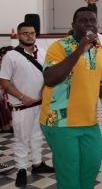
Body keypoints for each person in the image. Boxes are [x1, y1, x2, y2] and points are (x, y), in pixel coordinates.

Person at [40, 7, 102, 189]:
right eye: (83, 20)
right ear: (73, 25)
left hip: (88, 121)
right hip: (60, 121)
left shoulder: (98, 50)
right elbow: (50, 79)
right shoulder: (58, 47)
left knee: (90, 168)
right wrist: (79, 50)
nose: (89, 24)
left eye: (92, 21)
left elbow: (100, 82)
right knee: (69, 175)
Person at [0, 22, 55, 187]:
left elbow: (48, 74)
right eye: (25, 33)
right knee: (22, 139)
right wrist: (22, 97)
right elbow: (4, 80)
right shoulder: (11, 56)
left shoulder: (43, 53)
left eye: (32, 33)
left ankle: (37, 164)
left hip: (41, 104)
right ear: (18, 35)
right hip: (22, 106)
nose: (29, 36)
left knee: (38, 136)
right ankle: (21, 169)